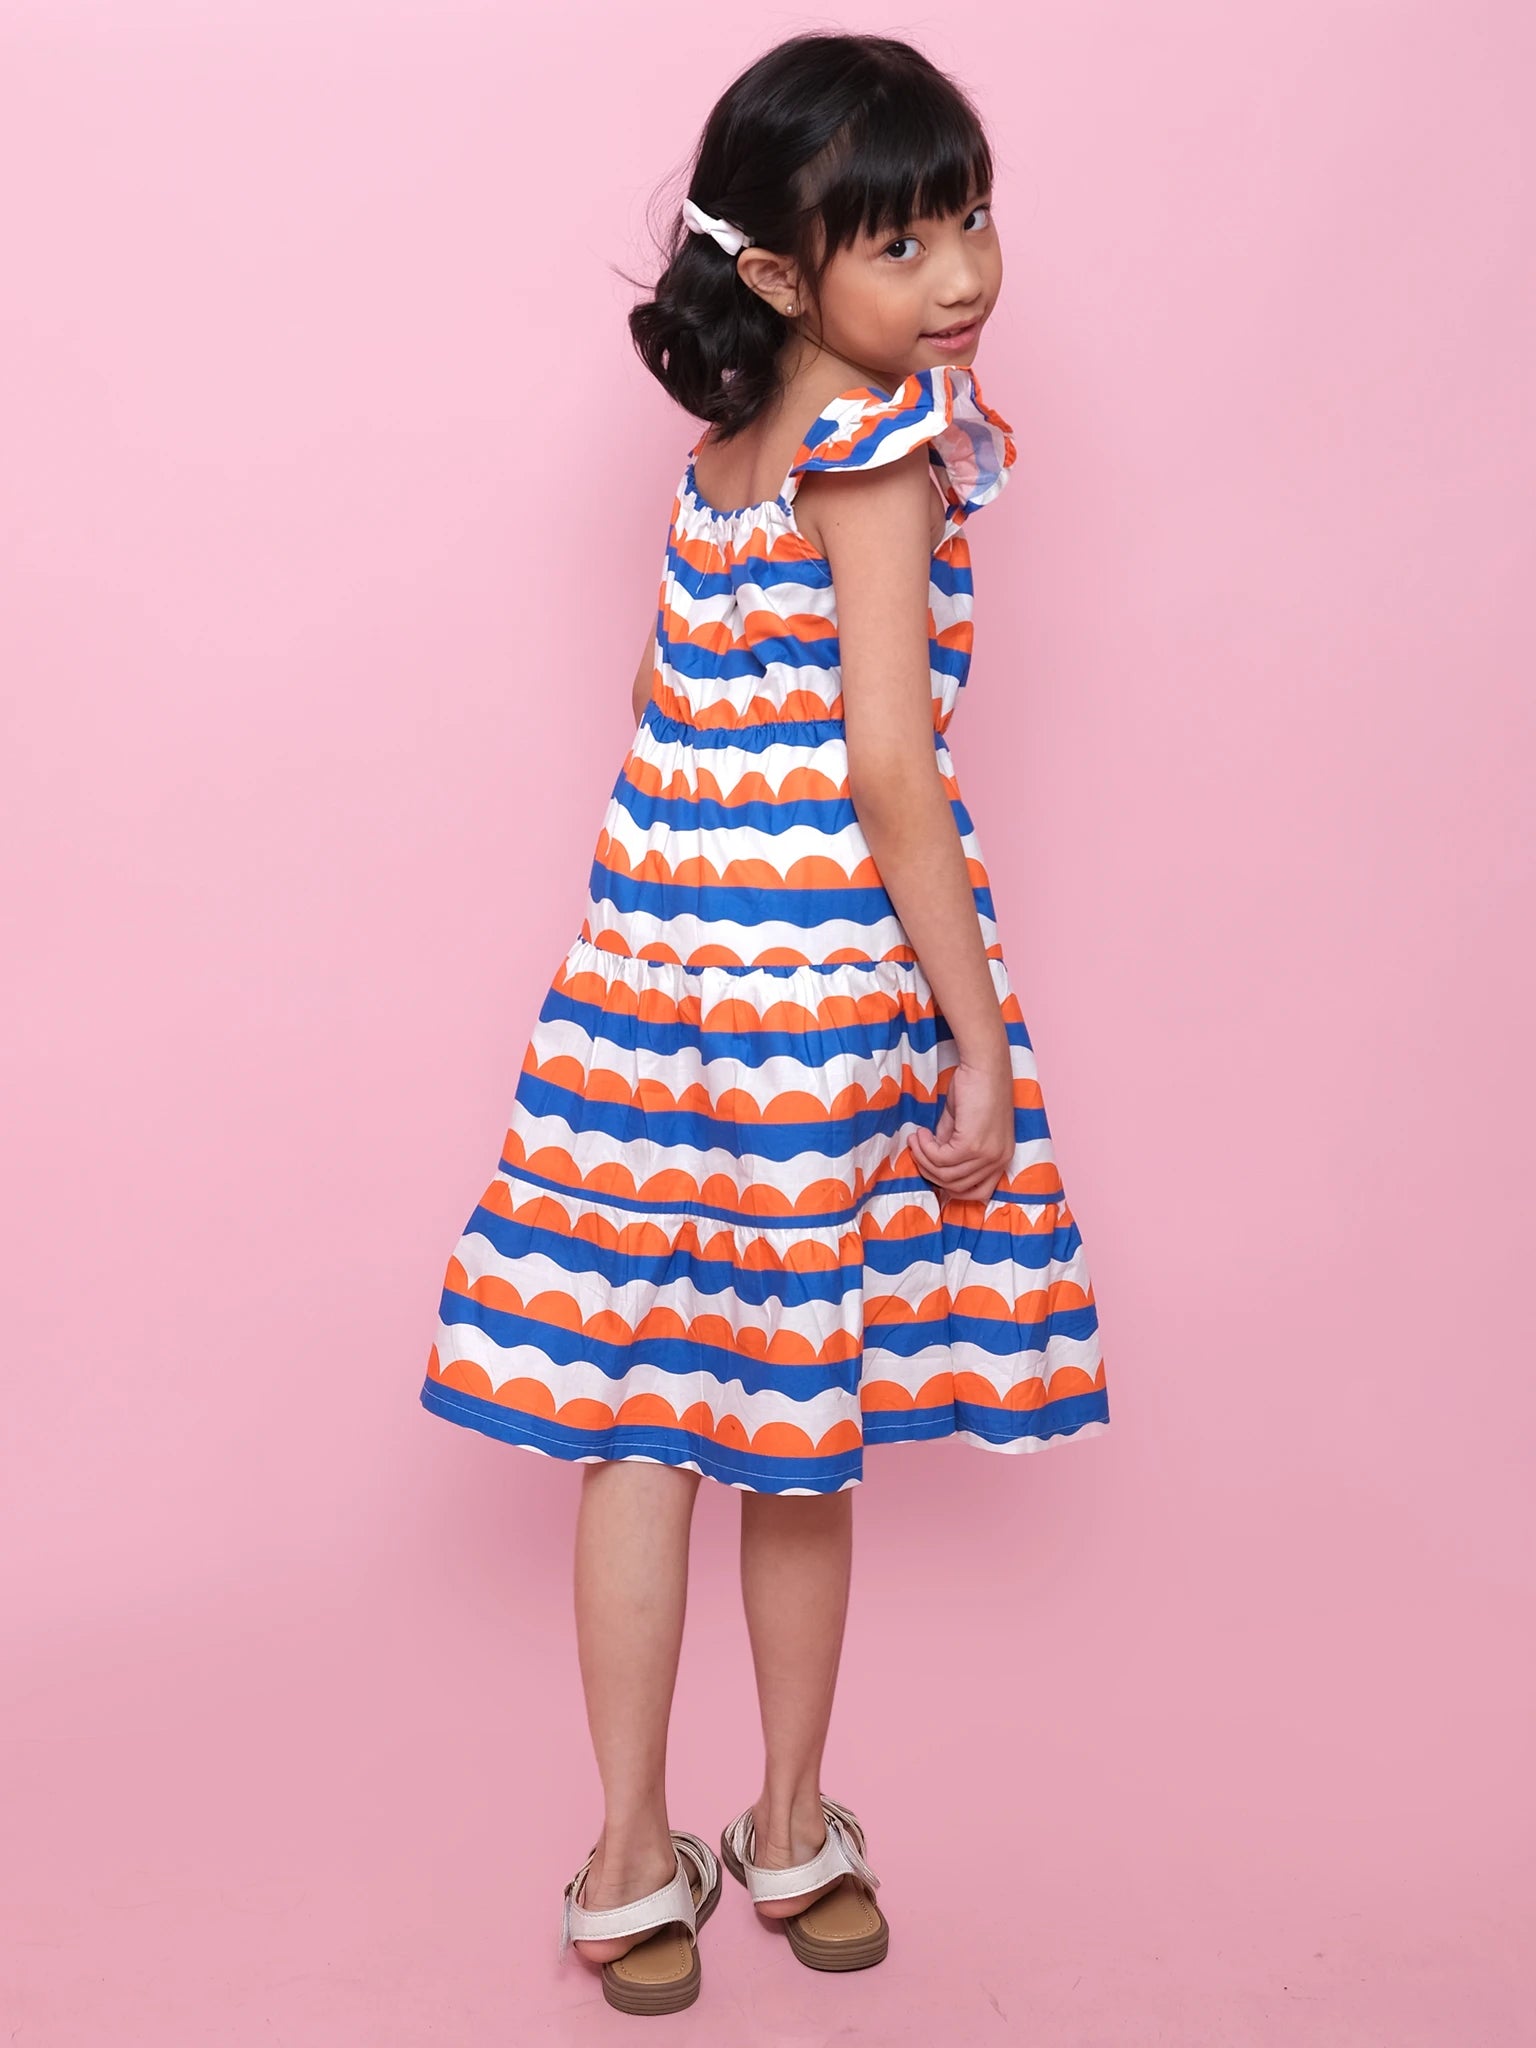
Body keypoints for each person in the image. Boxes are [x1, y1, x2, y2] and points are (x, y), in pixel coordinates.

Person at [419, 28, 1109, 2017]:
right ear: (787, 272)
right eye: (902, 242)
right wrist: (975, 1040)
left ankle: (635, 1860)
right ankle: (790, 1824)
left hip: (647, 990)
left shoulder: (726, 456)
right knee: (795, 1430)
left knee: (642, 1418)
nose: (961, 273)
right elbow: (889, 768)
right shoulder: (871, 455)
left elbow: (690, 731)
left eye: (972, 218)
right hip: (810, 992)